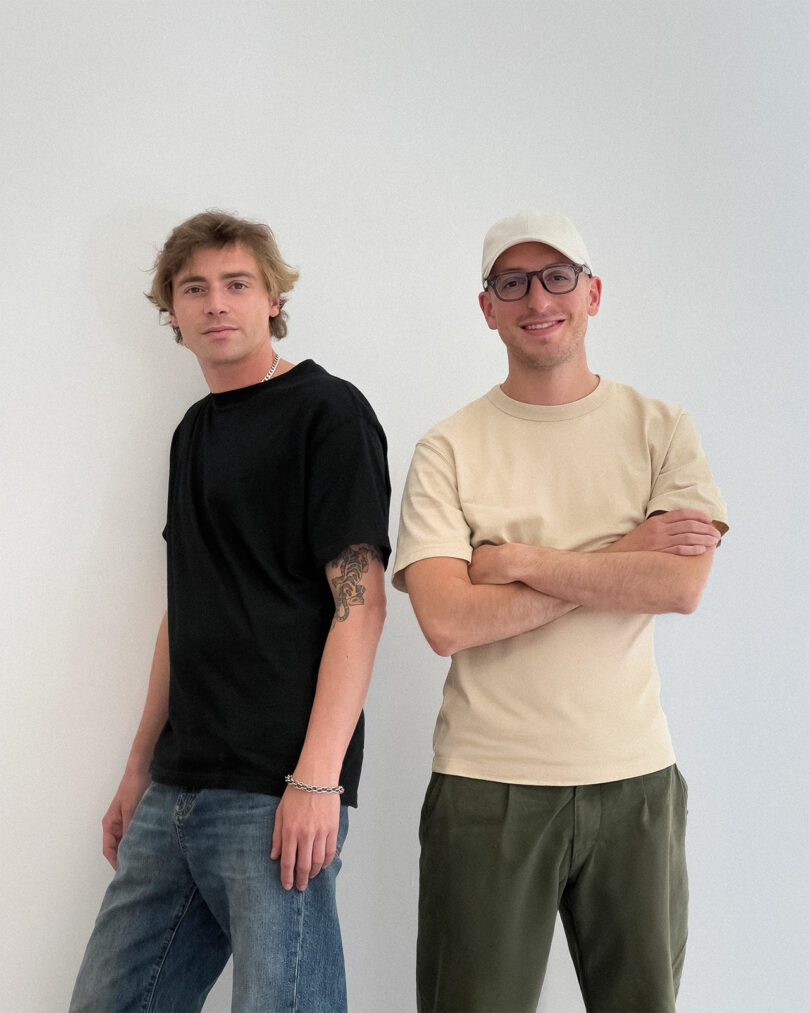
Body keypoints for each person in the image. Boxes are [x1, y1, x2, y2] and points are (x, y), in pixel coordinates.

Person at [393, 210, 728, 1013]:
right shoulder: (450, 446)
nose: (537, 298)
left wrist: (515, 564)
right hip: (487, 785)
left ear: (593, 293)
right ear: (488, 308)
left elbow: (680, 586)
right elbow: (447, 622)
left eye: (557, 277)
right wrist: (624, 553)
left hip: (636, 778)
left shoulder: (662, 428)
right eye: (512, 282)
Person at [70, 211, 390, 1013]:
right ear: (172, 313)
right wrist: (140, 763)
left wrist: (317, 778)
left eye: (237, 284)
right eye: (194, 288)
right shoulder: (193, 433)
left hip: (275, 791)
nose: (216, 303)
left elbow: (362, 604)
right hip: (177, 787)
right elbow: (187, 607)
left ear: (274, 299)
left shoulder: (329, 412)